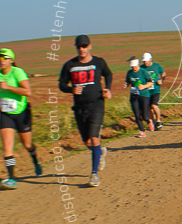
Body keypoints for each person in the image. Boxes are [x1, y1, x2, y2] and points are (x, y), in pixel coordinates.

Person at [58, 35, 113, 187]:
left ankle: (94, 174)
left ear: (90, 46)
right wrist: (71, 89)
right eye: (79, 47)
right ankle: (100, 152)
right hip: (79, 108)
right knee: (87, 141)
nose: (82, 49)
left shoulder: (99, 62)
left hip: (97, 105)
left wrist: (107, 88)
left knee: (94, 138)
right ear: (76, 48)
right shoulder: (70, 65)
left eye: (84, 46)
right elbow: (61, 84)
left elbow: (108, 74)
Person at [0, 48, 41, 188]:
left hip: (22, 112)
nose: (2, 60)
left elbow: (27, 91)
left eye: (5, 58)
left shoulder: (18, 72)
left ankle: (36, 160)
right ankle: (11, 179)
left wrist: (9, 87)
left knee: (27, 145)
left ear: (11, 60)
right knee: (7, 147)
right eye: (0, 58)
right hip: (6, 114)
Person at [124, 57, 154, 137]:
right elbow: (128, 81)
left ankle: (149, 121)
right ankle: (142, 131)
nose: (133, 68)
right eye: (132, 67)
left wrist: (144, 86)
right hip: (134, 95)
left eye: (135, 66)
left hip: (144, 95)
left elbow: (151, 82)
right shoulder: (129, 72)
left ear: (137, 65)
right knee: (137, 115)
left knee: (144, 115)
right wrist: (126, 85)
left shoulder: (144, 72)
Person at [141, 52, 165, 129]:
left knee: (154, 105)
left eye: (147, 61)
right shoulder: (141, 68)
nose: (145, 62)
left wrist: (161, 80)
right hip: (146, 91)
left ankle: (158, 120)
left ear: (150, 59)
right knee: (149, 108)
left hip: (156, 89)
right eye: (144, 61)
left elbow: (163, 73)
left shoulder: (157, 66)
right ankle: (154, 123)